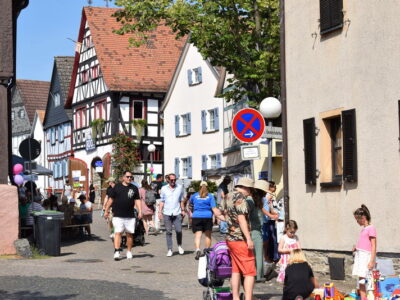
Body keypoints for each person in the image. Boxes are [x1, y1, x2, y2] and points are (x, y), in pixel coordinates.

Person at [225, 177, 256, 300]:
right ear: (246, 188)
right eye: (251, 190)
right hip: (240, 239)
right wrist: (248, 238)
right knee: (249, 272)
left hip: (230, 238)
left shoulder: (228, 196)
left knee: (236, 270)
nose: (251, 192)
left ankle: (236, 297)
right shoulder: (240, 198)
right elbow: (242, 219)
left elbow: (224, 214)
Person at [104, 171, 142, 261]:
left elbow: (137, 200)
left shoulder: (134, 188)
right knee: (118, 232)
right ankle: (117, 251)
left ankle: (129, 251)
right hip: (117, 215)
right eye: (128, 177)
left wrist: (140, 211)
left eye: (131, 177)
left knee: (129, 234)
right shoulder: (117, 187)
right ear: (123, 177)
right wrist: (106, 210)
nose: (129, 178)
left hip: (130, 215)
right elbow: (110, 199)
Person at [190, 181, 225, 260]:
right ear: (207, 187)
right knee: (208, 235)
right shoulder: (210, 196)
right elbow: (214, 208)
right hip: (207, 217)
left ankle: (198, 249)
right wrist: (222, 217)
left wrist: (193, 212)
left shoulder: (194, 196)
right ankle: (206, 251)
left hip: (196, 216)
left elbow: (190, 205)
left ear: (199, 187)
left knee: (198, 235)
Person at [352, 204, 376, 300]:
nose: (357, 222)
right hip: (360, 255)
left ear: (363, 217)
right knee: (361, 279)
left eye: (357, 219)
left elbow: (373, 246)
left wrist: (371, 261)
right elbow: (364, 243)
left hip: (366, 257)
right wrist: (356, 247)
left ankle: (369, 297)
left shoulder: (371, 228)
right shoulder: (364, 229)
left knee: (368, 279)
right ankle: (363, 298)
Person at [159, 173, 185, 257]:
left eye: (174, 180)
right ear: (168, 180)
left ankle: (179, 245)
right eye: (171, 180)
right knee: (168, 232)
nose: (173, 181)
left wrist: (183, 210)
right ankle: (170, 249)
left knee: (179, 230)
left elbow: (181, 200)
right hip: (167, 212)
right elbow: (162, 201)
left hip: (177, 212)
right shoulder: (164, 188)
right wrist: (160, 212)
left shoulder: (180, 187)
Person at [249, 180, 269, 283]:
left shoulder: (256, 201)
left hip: (255, 230)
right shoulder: (251, 201)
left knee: (257, 254)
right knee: (257, 254)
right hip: (253, 231)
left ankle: (256, 275)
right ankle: (256, 275)